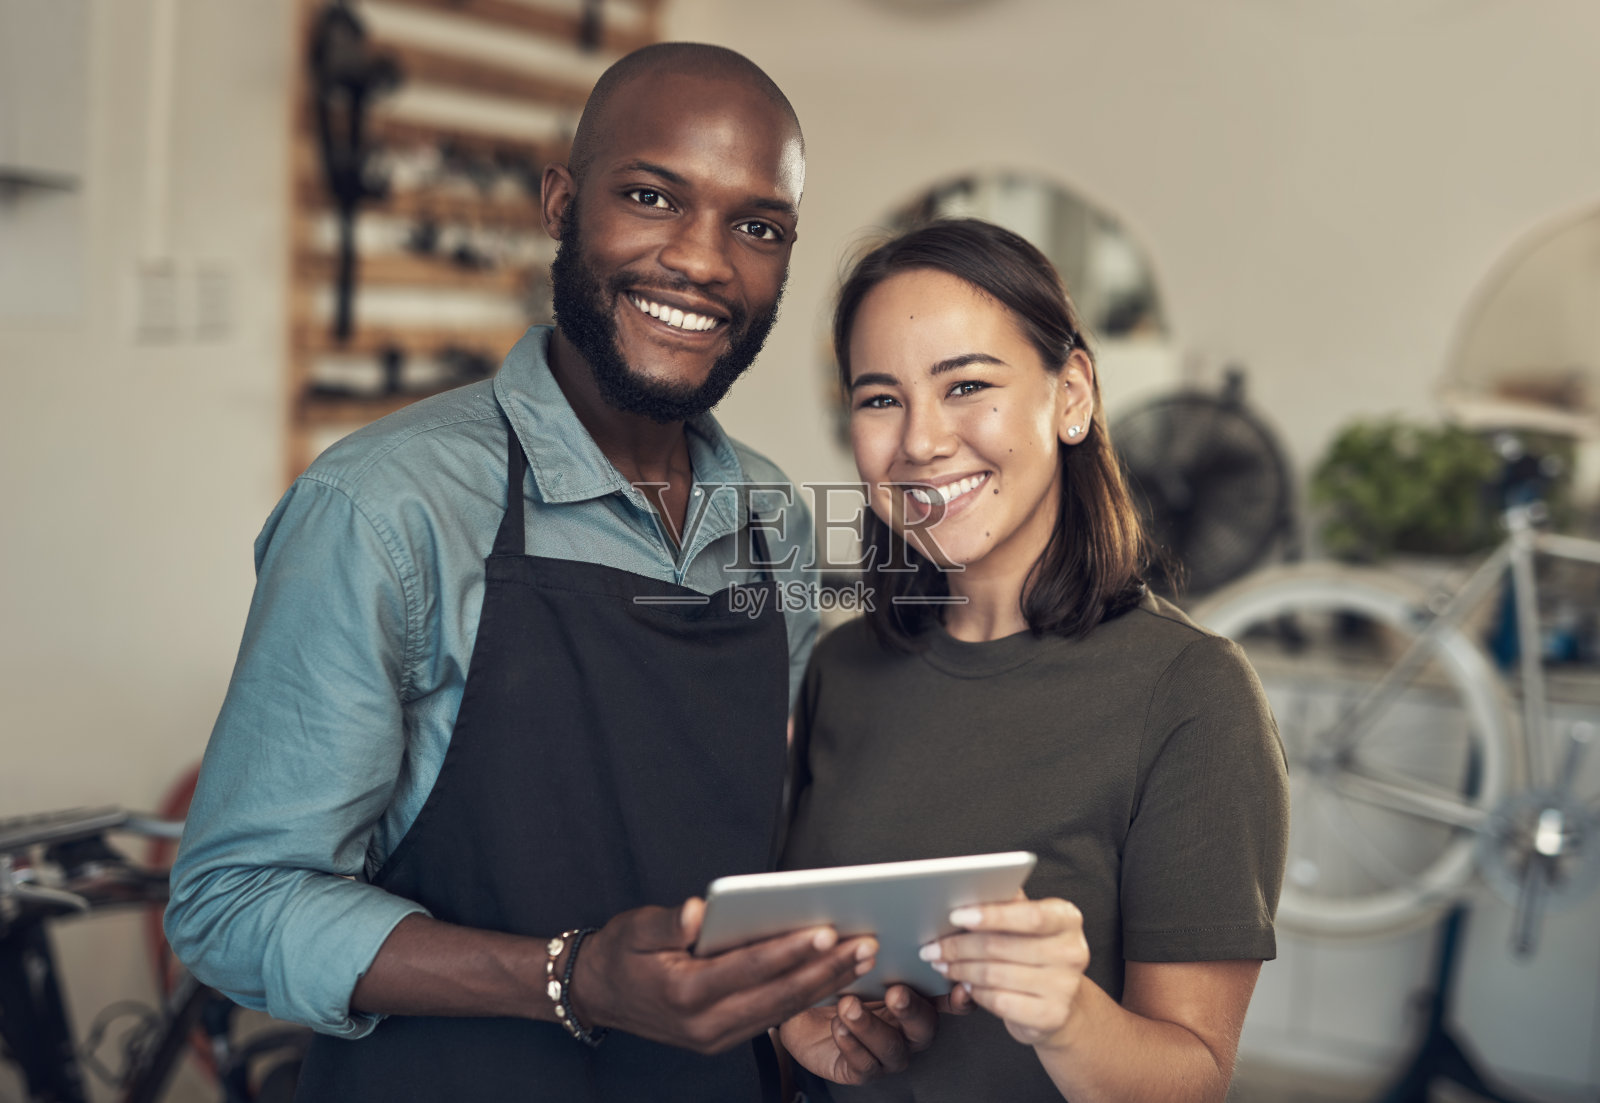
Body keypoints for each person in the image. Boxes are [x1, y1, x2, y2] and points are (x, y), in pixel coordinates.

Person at [165, 44, 920, 1102]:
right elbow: (230, 904)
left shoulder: (770, 514)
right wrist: (568, 977)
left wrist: (802, 984)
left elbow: (754, 829)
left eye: (757, 226)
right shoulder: (388, 508)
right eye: (653, 197)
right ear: (560, 205)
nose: (703, 261)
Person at [774, 219, 1290, 1101]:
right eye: (879, 398)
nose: (922, 441)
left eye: (967, 383)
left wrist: (1067, 1016)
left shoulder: (1192, 696)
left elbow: (1194, 1078)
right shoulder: (842, 666)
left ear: (1073, 394)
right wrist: (808, 1023)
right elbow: (798, 962)